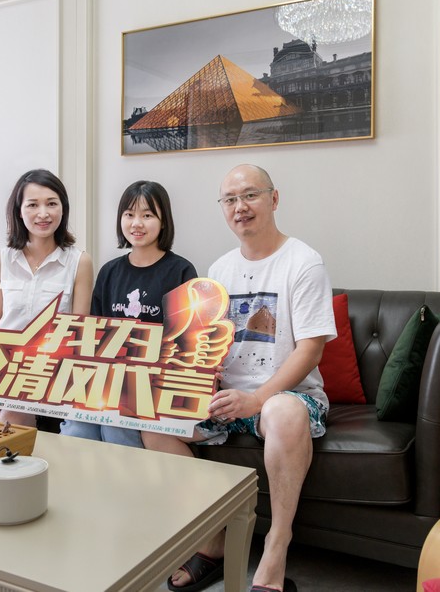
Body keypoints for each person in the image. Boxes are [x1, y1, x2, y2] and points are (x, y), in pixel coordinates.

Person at [143, 164, 335, 592]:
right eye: (229, 199)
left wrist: (258, 399)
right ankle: (213, 537)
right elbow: (207, 343)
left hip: (288, 396)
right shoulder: (219, 269)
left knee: (281, 412)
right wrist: (203, 379)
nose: (239, 207)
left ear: (274, 198)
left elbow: (311, 349)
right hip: (228, 398)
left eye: (250, 195)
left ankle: (276, 547)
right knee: (155, 420)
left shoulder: (304, 263)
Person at [60, 180, 197, 447]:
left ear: (164, 222)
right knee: (78, 426)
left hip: (153, 381)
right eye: (129, 214)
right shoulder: (110, 271)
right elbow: (94, 334)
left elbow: (187, 341)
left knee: (116, 427)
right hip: (107, 378)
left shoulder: (181, 271)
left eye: (147, 215)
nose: (137, 223)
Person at [0, 168, 94, 425]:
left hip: (51, 365)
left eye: (51, 204)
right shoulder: (2, 259)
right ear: (19, 211)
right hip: (1, 358)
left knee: (10, 416)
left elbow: (80, 329)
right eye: (33, 205)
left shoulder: (80, 261)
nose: (43, 213)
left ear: (63, 209)